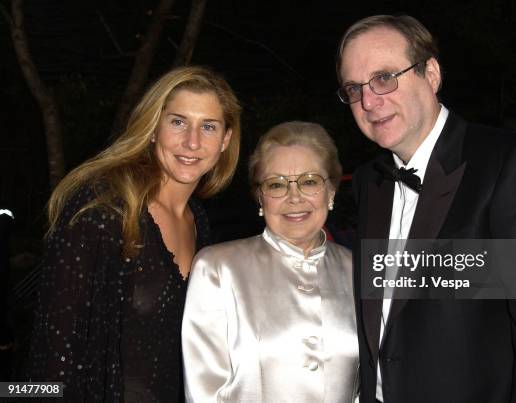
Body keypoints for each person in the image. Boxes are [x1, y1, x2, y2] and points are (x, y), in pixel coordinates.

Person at [336, 15, 516, 403]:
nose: (369, 101)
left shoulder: (514, 163)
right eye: (354, 89)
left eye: (385, 77)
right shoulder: (371, 182)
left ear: (432, 74)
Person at [25, 65, 241, 402]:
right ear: (154, 127)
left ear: (226, 140)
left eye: (209, 127)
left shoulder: (199, 222)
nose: (193, 141)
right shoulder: (103, 209)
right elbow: (55, 354)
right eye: (178, 121)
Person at [182, 121, 359, 403]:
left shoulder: (359, 272)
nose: (294, 197)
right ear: (260, 198)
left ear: (331, 192)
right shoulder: (217, 268)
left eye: (310, 181)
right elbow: (204, 393)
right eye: (276, 184)